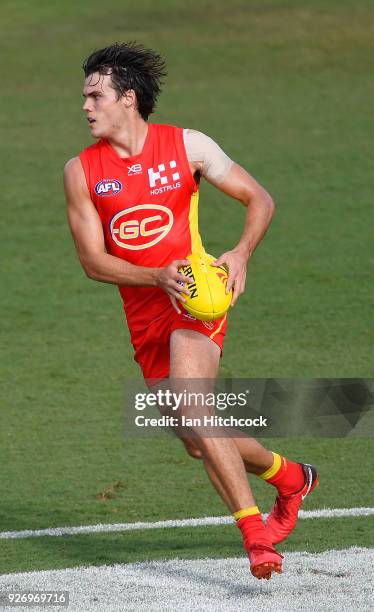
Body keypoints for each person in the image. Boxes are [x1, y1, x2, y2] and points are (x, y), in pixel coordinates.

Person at [64, 42, 319, 580]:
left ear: (127, 98)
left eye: (96, 95)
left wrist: (240, 254)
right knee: (195, 439)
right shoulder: (81, 171)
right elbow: (92, 261)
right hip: (145, 310)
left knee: (194, 404)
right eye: (84, 96)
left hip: (196, 299)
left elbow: (260, 200)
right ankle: (292, 478)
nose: (85, 106)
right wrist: (154, 277)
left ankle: (256, 538)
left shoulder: (188, 147)